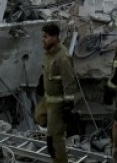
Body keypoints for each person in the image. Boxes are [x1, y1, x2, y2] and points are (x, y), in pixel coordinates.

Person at [41, 23, 78, 163]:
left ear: (55, 37)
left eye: (46, 37)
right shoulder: (48, 53)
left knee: (55, 139)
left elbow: (69, 83)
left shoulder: (62, 57)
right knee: (49, 138)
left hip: (58, 106)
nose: (43, 40)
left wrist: (68, 105)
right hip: (48, 101)